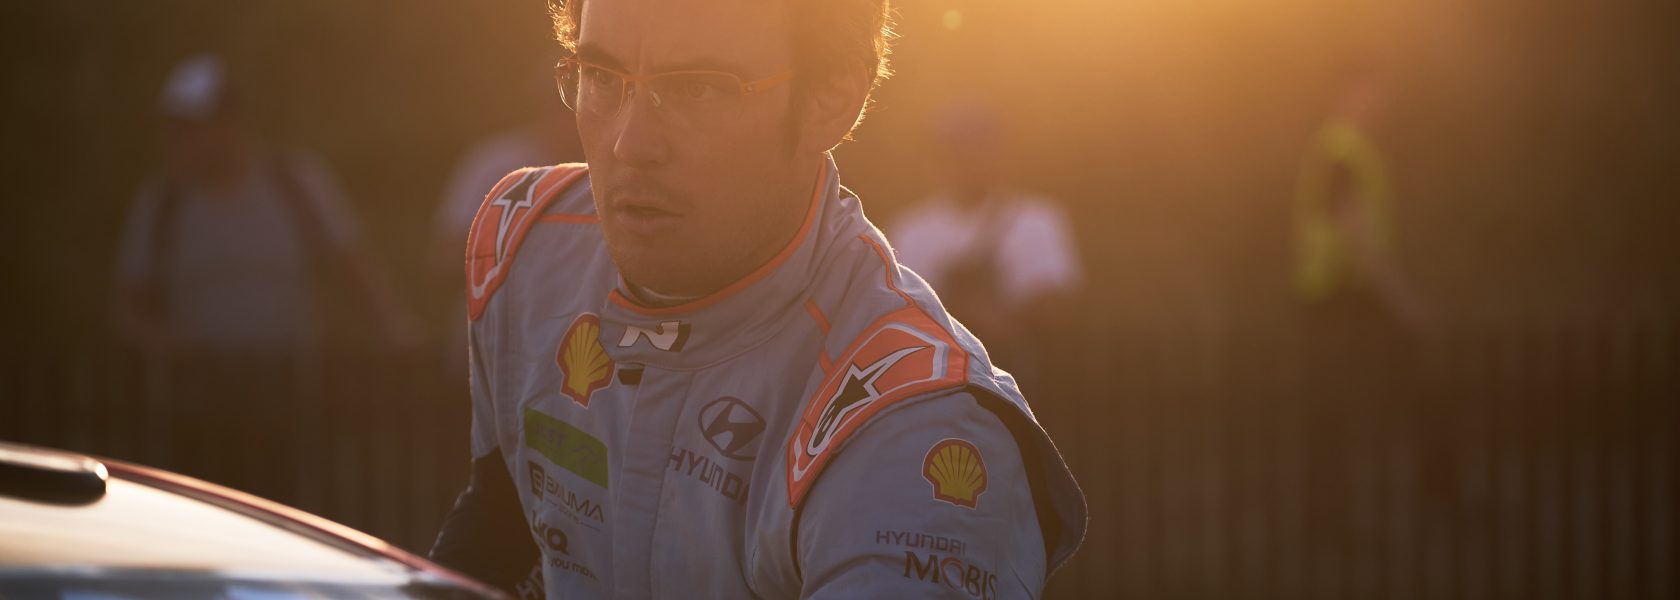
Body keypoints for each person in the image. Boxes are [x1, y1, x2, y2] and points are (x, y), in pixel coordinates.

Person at [427, 1, 1087, 598]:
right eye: (600, 75)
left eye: (697, 88)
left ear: (832, 102)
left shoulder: (916, 429)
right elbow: (508, 515)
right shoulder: (526, 240)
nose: (630, 145)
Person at [110, 54, 419, 498]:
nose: (184, 141)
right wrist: (167, 348)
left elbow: (351, 267)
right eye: (177, 128)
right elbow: (128, 306)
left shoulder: (295, 185)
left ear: (231, 121)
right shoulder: (163, 204)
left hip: (288, 408)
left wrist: (392, 326)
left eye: (195, 126)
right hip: (195, 415)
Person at [889, 98, 1083, 390]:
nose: (967, 162)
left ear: (1000, 154)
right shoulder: (911, 229)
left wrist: (1000, 322)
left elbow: (1055, 306)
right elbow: (899, 316)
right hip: (934, 380)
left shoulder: (1037, 219)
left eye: (978, 148)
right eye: (955, 151)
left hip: (1020, 380)